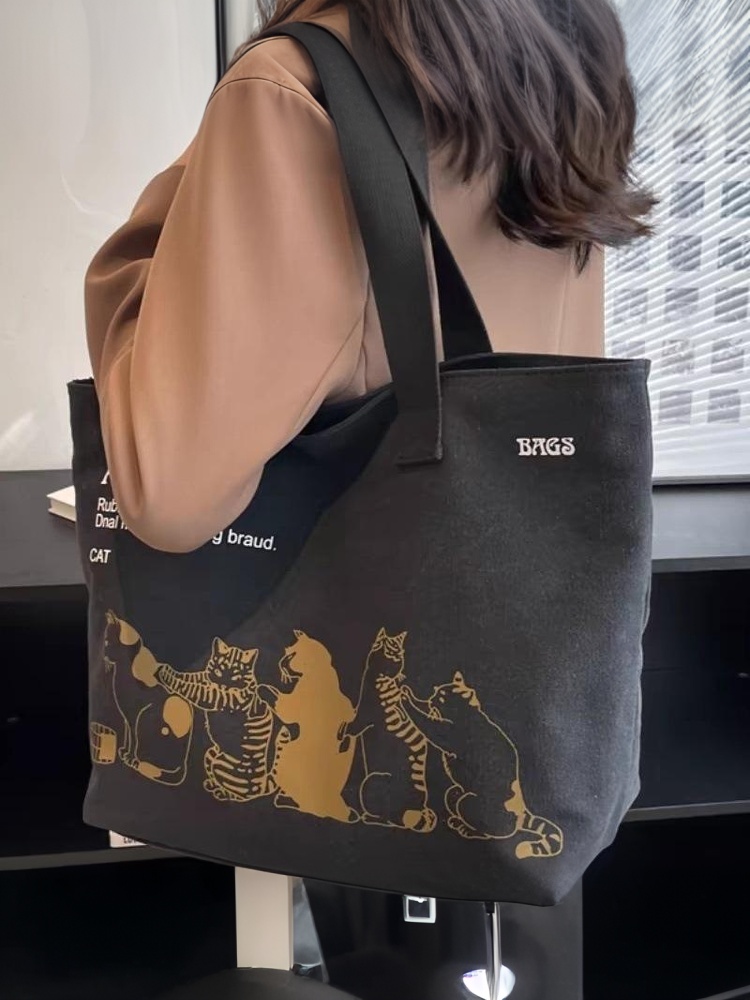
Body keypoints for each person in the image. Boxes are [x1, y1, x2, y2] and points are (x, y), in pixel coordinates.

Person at [84, 0, 653, 554]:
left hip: (373, 587)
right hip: (529, 565)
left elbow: (170, 497)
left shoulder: (294, 84)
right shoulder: (566, 63)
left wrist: (164, 214)